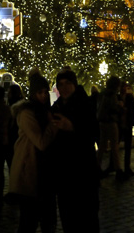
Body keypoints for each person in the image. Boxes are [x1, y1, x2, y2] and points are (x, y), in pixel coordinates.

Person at [51, 68, 100, 233]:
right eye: (60, 84)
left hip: (83, 172)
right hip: (64, 174)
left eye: (68, 83)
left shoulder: (85, 104)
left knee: (86, 219)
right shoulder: (57, 107)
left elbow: (93, 134)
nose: (64, 88)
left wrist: (72, 127)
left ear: (74, 84)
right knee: (68, 219)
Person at [9, 73, 58, 232]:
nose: (43, 96)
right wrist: (53, 125)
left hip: (44, 172)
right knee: (29, 221)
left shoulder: (44, 110)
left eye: (45, 92)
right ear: (33, 93)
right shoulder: (27, 113)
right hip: (30, 170)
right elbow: (41, 142)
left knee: (47, 220)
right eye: (40, 92)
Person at [96, 75, 124, 179]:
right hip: (111, 122)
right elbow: (113, 108)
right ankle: (118, 169)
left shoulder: (102, 93)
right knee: (114, 146)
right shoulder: (112, 95)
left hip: (102, 122)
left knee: (102, 146)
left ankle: (97, 166)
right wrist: (120, 106)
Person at [119, 81, 134, 177]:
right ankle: (116, 167)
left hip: (127, 124)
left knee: (127, 148)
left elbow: (133, 110)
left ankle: (127, 167)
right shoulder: (117, 97)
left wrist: (132, 121)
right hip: (119, 125)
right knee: (116, 147)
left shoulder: (129, 98)